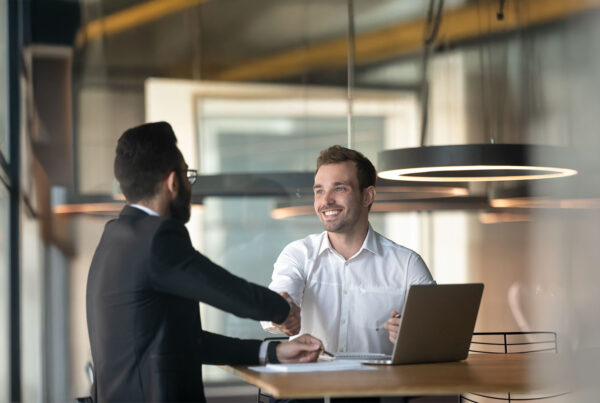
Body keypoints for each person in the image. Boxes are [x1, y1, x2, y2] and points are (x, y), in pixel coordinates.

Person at [86, 121, 322, 403]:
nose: (189, 185)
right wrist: (282, 310)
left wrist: (270, 352)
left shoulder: (116, 236)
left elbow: (182, 341)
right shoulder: (157, 237)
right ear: (173, 182)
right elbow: (225, 290)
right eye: (188, 176)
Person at [262, 145, 435, 355]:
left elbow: (439, 335)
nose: (326, 201)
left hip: (380, 386)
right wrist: (282, 314)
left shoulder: (407, 264)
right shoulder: (298, 254)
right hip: (311, 385)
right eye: (319, 190)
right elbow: (278, 302)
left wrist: (415, 336)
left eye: (340, 188)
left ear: (367, 196)